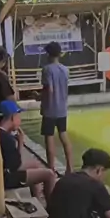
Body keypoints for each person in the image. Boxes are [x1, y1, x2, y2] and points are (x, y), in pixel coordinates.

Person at [0, 99, 56, 201]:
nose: (20, 120)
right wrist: (20, 144)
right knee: (50, 174)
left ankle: (36, 201)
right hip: (3, 179)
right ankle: (51, 206)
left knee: (34, 165)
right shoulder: (6, 139)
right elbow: (16, 165)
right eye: (18, 116)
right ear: (12, 117)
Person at [40, 41, 72, 173]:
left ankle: (51, 168)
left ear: (48, 54)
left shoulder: (47, 69)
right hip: (62, 108)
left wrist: (38, 96)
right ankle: (70, 167)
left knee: (49, 137)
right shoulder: (65, 70)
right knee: (63, 135)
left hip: (49, 109)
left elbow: (49, 90)